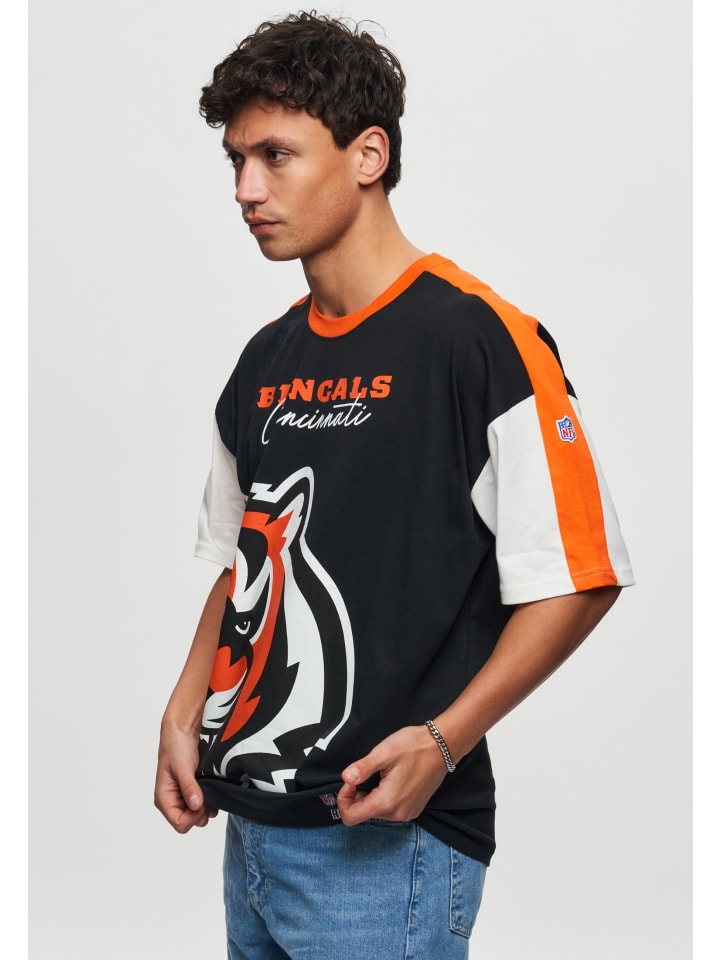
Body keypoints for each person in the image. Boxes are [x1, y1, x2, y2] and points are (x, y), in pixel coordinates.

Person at [154, 10, 635, 958]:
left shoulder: (480, 340)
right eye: (237, 160)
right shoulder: (265, 361)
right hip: (250, 831)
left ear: (368, 155)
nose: (247, 188)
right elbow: (245, 563)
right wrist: (182, 709)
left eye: (276, 156)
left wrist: (443, 741)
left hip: (386, 846)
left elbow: (582, 576)